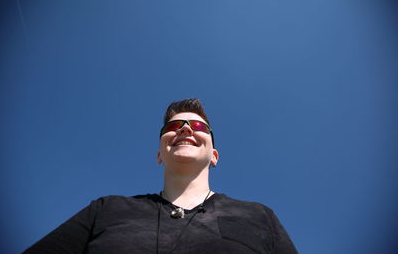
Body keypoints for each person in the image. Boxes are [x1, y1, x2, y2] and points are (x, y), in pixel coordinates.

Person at [23, 98, 298, 254]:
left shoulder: (260, 217)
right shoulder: (106, 210)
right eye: (175, 125)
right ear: (159, 154)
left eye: (198, 125)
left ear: (215, 156)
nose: (186, 129)